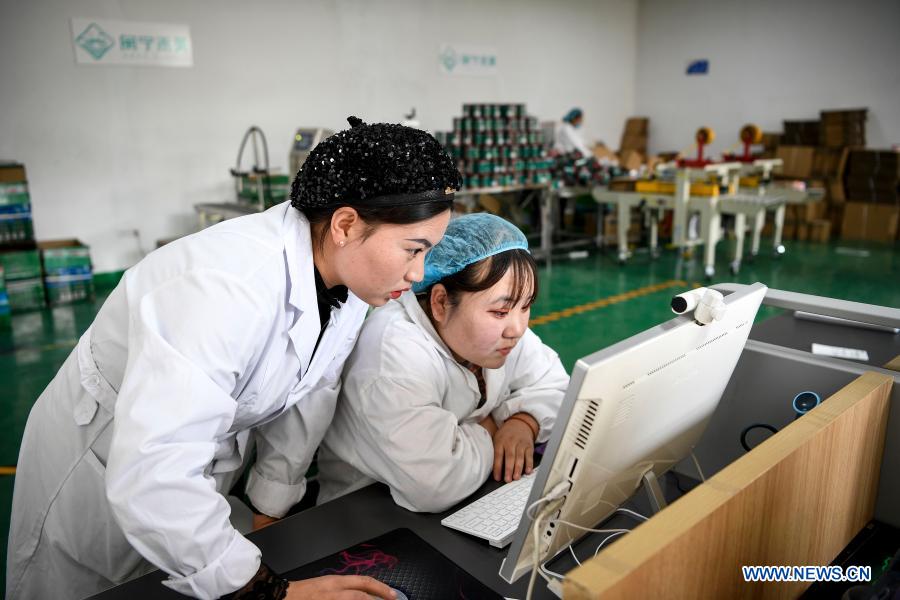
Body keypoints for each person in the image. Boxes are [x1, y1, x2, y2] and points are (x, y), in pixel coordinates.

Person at [6, 116, 460, 600]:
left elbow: (314, 387)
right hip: (100, 465)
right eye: (414, 249)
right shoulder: (224, 289)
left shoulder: (347, 282)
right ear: (346, 224)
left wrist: (272, 504)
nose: (419, 273)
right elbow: (154, 469)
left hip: (190, 467)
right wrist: (268, 591)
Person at [317, 213, 568, 512]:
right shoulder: (394, 356)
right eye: (500, 312)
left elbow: (558, 387)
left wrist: (524, 421)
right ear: (439, 302)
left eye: (525, 307)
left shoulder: (501, 335)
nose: (517, 328)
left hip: (471, 493)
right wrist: (494, 427)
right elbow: (435, 483)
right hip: (368, 515)